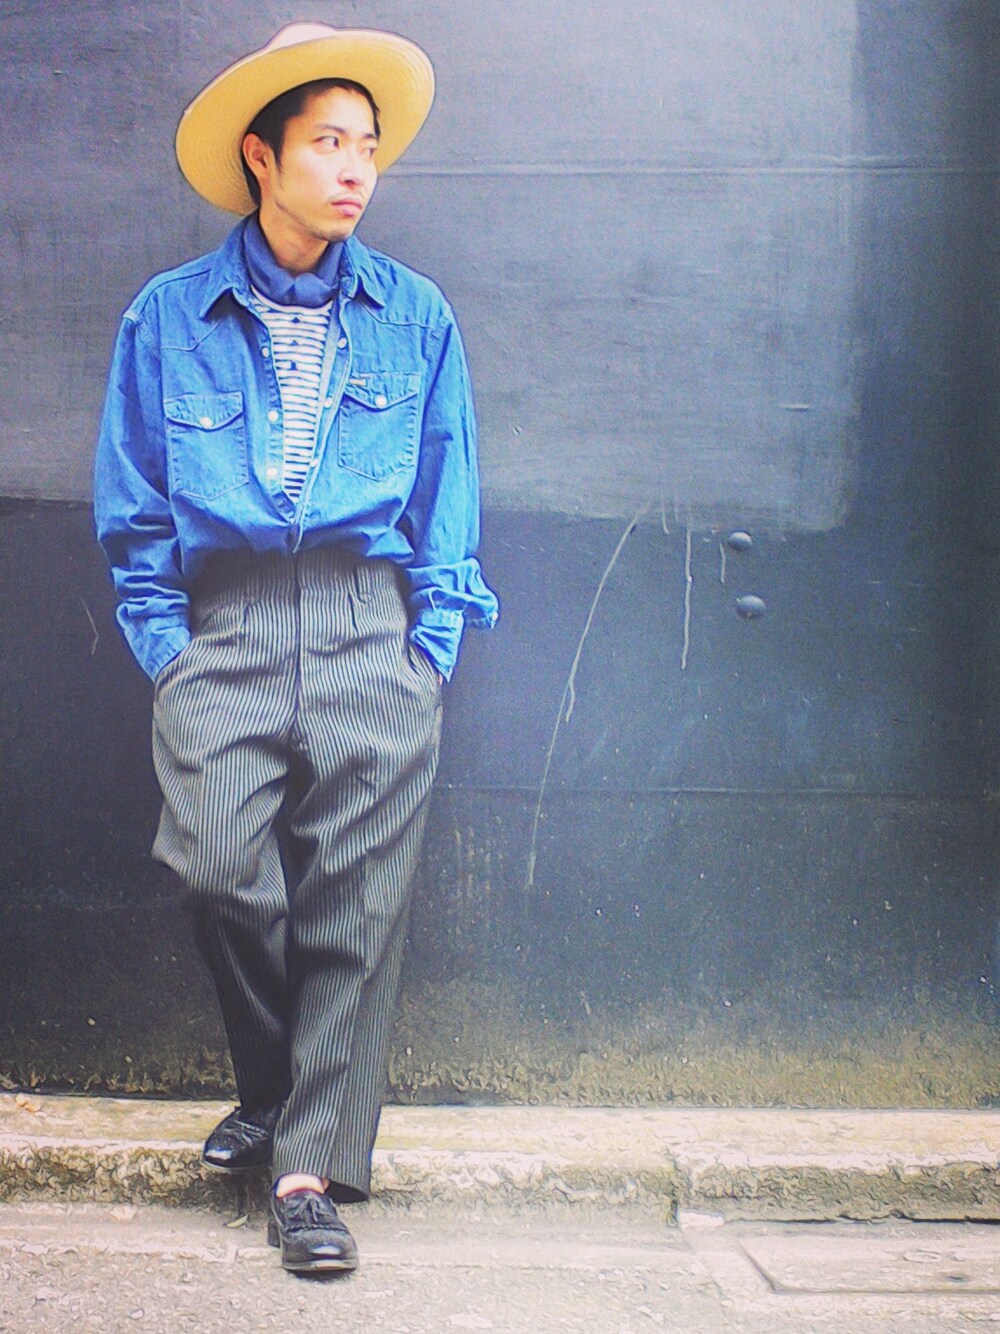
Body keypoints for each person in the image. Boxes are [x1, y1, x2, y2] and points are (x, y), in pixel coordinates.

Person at [94, 22, 497, 1274]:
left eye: (366, 145)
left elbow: (448, 486)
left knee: (354, 908)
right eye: (327, 142)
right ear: (260, 157)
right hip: (226, 627)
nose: (355, 168)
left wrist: (429, 646)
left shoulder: (414, 314)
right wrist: (169, 649)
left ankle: (306, 1175)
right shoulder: (168, 316)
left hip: (372, 626)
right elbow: (134, 508)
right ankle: (278, 1089)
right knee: (219, 866)